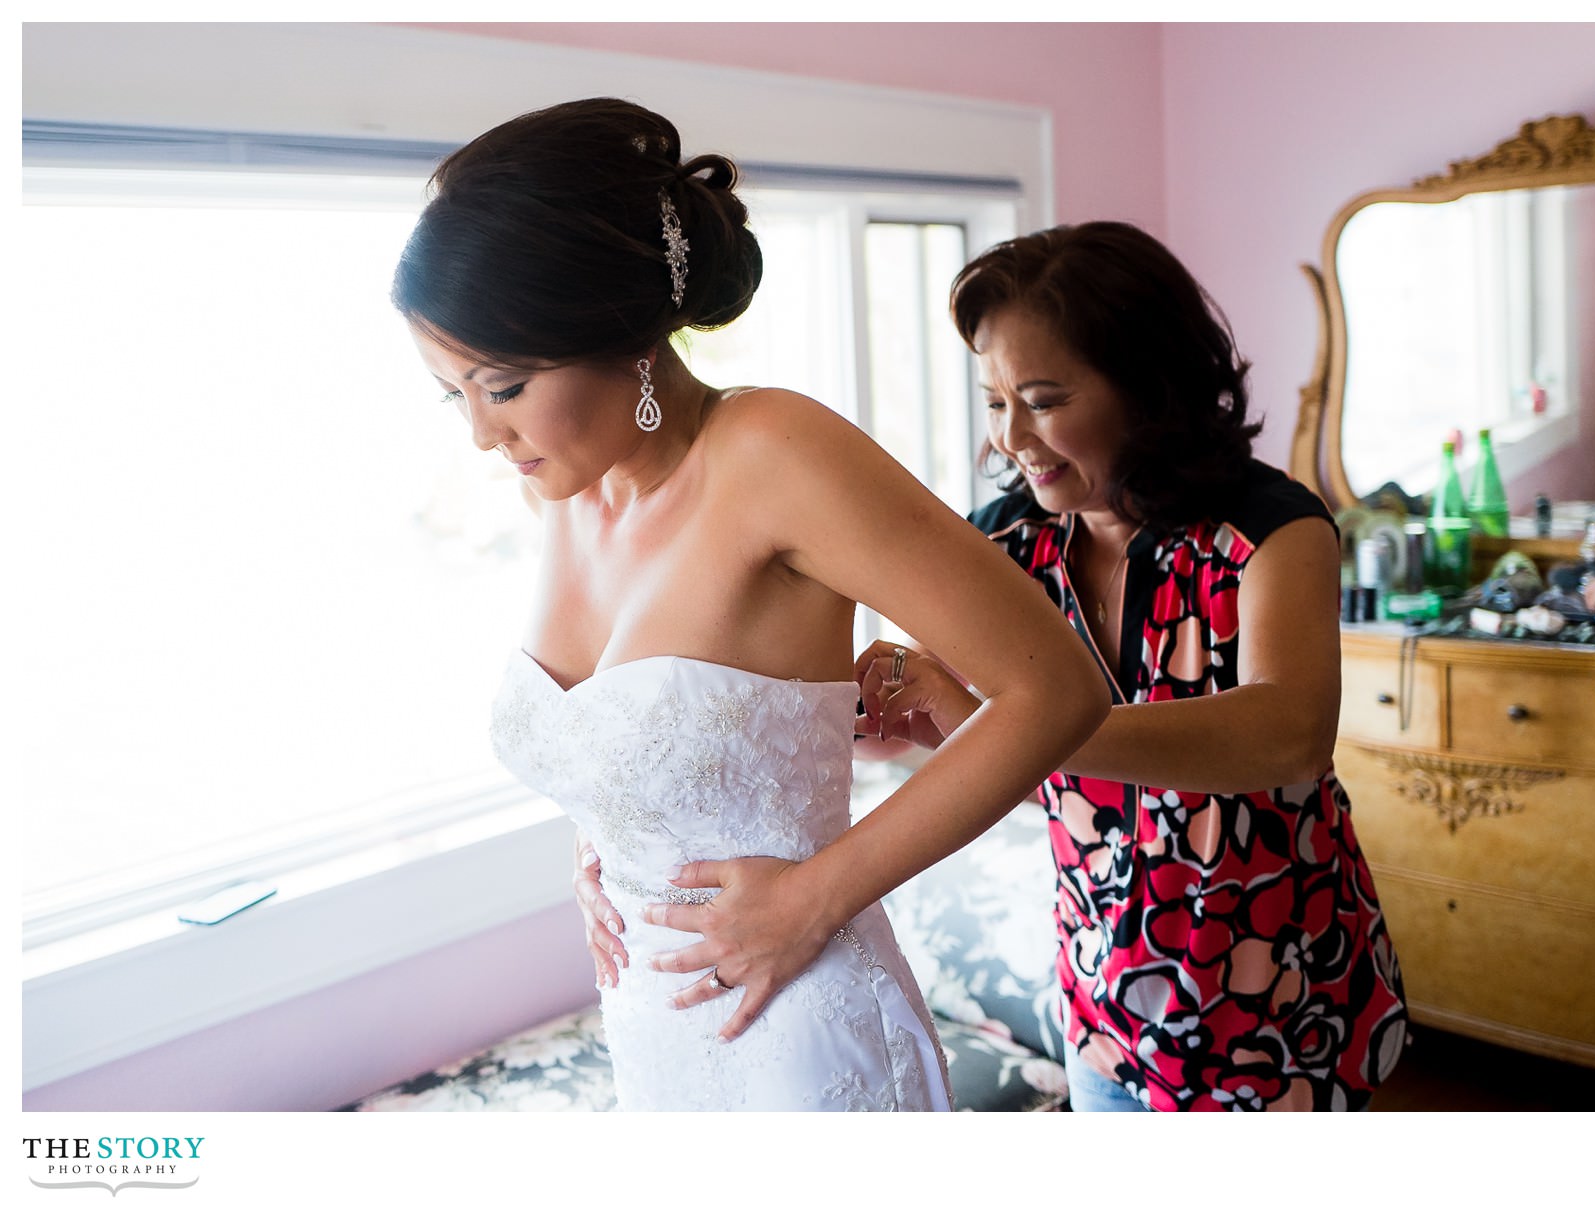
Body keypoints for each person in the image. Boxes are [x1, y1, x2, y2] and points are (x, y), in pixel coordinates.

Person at [581, 221, 1408, 1111]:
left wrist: (1016, 722)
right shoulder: (1007, 542)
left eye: (1045, 399)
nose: (1013, 434)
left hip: (1286, 1000)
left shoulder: (1272, 529)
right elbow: (1016, 779)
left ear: (1147, 384)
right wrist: (924, 722)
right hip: (1107, 1010)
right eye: (993, 401)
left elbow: (1282, 737)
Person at [391, 99, 1108, 1112]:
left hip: (803, 1034)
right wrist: (599, 844)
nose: (479, 433)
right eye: (450, 390)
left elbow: (1055, 691)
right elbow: (619, 733)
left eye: (501, 385)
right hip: (653, 1028)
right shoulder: (567, 489)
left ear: (623, 336)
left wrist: (816, 895)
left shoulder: (774, 451)